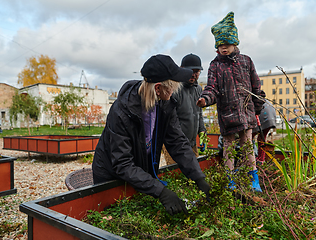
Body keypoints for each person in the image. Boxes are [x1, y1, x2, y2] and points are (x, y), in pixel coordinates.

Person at [92, 54, 211, 216]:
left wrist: (198, 178)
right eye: (172, 88)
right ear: (158, 88)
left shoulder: (165, 105)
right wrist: (161, 191)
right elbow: (123, 163)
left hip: (136, 173)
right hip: (110, 175)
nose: (174, 92)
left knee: (140, 211)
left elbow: (178, 143)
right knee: (115, 217)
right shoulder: (121, 111)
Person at [196, 12, 264, 192]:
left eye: (226, 44)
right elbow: (212, 88)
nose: (223, 48)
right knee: (228, 147)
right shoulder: (215, 65)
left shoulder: (246, 61)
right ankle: (230, 179)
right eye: (219, 45)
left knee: (248, 146)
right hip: (227, 115)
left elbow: (256, 86)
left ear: (235, 42)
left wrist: (256, 108)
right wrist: (205, 99)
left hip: (246, 113)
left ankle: (253, 178)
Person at [163, 53, 207, 165]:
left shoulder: (198, 89)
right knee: (176, 174)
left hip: (191, 144)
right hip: (174, 144)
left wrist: (202, 130)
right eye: (191, 71)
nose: (193, 74)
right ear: (182, 69)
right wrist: (179, 142)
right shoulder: (174, 89)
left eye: (197, 71)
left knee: (194, 176)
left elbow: (199, 113)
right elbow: (169, 119)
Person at [252, 99, 277, 164]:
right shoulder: (262, 99)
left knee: (249, 139)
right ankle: (261, 159)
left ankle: (251, 160)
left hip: (263, 117)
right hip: (270, 118)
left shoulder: (252, 100)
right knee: (261, 138)